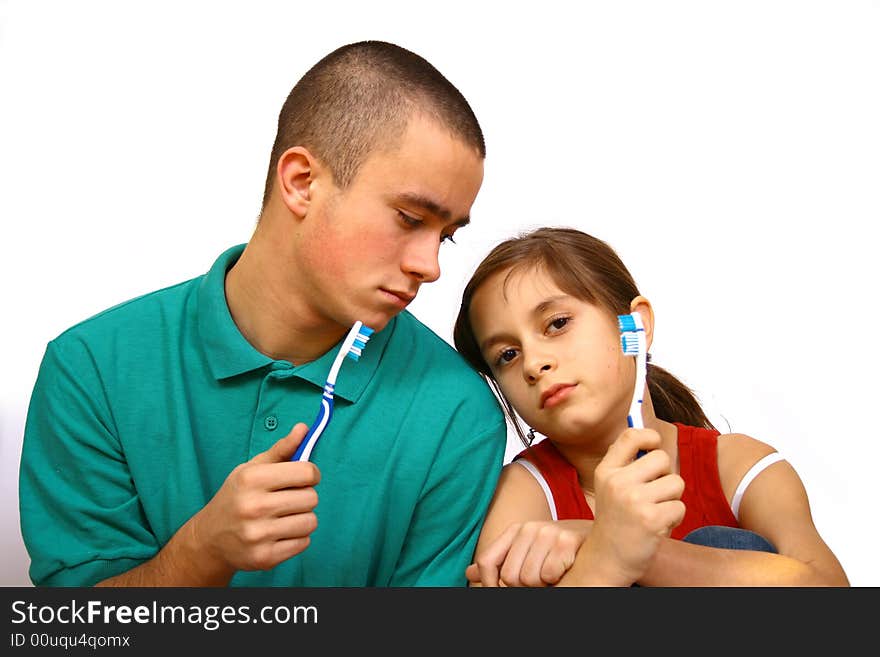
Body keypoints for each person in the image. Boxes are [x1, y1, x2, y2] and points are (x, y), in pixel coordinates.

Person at [19, 41, 507, 587]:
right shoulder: (90, 369)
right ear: (302, 182)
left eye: (446, 236)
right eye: (409, 217)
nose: (430, 265)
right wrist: (201, 552)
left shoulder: (458, 413)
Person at [453, 227, 849, 586]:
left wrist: (618, 544)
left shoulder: (739, 465)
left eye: (557, 324)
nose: (534, 363)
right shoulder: (523, 490)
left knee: (719, 542)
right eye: (507, 354)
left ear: (635, 326)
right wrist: (605, 559)